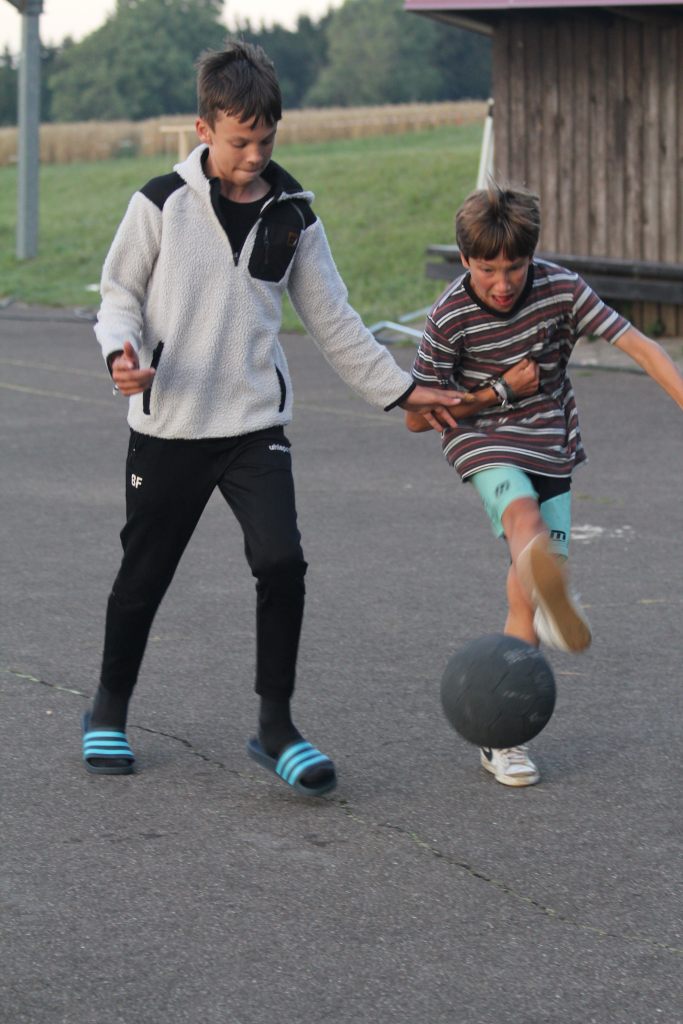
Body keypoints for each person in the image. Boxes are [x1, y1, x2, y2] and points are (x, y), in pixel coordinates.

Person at [83, 40, 463, 794]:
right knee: (143, 576)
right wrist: (120, 355)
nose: (255, 154)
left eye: (266, 138)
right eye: (239, 141)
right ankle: (108, 709)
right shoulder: (158, 203)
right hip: (170, 428)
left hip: (254, 426)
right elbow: (118, 295)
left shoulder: (294, 216)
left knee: (282, 561)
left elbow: (335, 321)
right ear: (203, 129)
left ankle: (276, 726)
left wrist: (400, 390)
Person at [406, 183, 683, 788]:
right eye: (487, 269)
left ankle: (504, 736)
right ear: (464, 260)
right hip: (481, 437)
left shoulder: (561, 289)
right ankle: (548, 587)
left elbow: (638, 345)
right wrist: (498, 391)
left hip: (550, 438)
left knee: (525, 595)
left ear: (532, 256)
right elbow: (415, 416)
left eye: (515, 267)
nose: (503, 282)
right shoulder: (450, 314)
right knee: (523, 516)